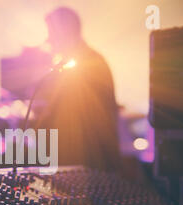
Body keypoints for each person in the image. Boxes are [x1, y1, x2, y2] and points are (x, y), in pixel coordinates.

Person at [35, 7, 121, 172]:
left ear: (65, 32)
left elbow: (71, 121)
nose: (48, 40)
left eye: (51, 33)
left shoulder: (85, 65)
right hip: (82, 163)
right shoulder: (83, 60)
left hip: (86, 166)